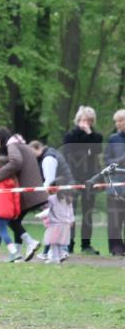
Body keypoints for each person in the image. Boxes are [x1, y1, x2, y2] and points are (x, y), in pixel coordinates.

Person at [0, 127, 46, 262]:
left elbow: (16, 162)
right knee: (16, 220)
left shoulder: (12, 145)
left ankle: (30, 243)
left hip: (26, 192)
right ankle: (17, 254)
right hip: (32, 190)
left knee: (11, 220)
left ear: (3, 139)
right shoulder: (21, 145)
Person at [62, 106, 103, 254]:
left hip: (90, 179)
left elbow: (97, 150)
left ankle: (86, 245)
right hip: (73, 178)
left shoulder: (96, 136)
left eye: (89, 120)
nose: (86, 123)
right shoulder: (70, 136)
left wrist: (89, 134)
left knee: (88, 213)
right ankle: (69, 244)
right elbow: (68, 153)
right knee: (70, 212)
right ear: (78, 120)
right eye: (83, 120)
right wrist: (87, 151)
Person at [28, 139, 73, 259]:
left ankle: (62, 251)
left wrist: (42, 195)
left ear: (38, 148)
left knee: (55, 223)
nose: (32, 157)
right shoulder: (50, 154)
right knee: (55, 224)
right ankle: (49, 252)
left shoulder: (48, 159)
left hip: (59, 194)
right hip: (63, 192)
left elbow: (49, 179)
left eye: (32, 153)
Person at [104, 109, 125, 256]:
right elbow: (107, 160)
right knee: (115, 218)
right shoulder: (113, 139)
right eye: (116, 121)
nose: (117, 124)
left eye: (120, 120)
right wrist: (120, 160)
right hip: (116, 184)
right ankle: (116, 248)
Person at [38, 190, 74, 265]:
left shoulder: (52, 198)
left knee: (53, 242)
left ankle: (55, 258)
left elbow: (46, 209)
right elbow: (71, 211)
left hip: (55, 224)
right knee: (59, 242)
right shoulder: (68, 198)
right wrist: (71, 220)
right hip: (65, 224)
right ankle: (60, 256)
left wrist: (40, 215)